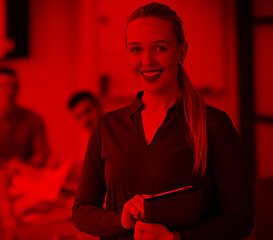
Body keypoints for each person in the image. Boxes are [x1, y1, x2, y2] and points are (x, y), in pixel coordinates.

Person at [72, 2, 253, 240]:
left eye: (159, 48)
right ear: (127, 56)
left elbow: (241, 219)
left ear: (181, 52)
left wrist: (175, 238)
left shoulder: (214, 125)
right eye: (136, 49)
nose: (147, 61)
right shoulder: (107, 127)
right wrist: (122, 220)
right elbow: (81, 211)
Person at [0, 67, 49, 168]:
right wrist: (6, 166)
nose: (10, 91)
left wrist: (22, 165)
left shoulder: (33, 119)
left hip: (28, 175)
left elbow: (41, 154)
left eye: (14, 86)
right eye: (4, 86)